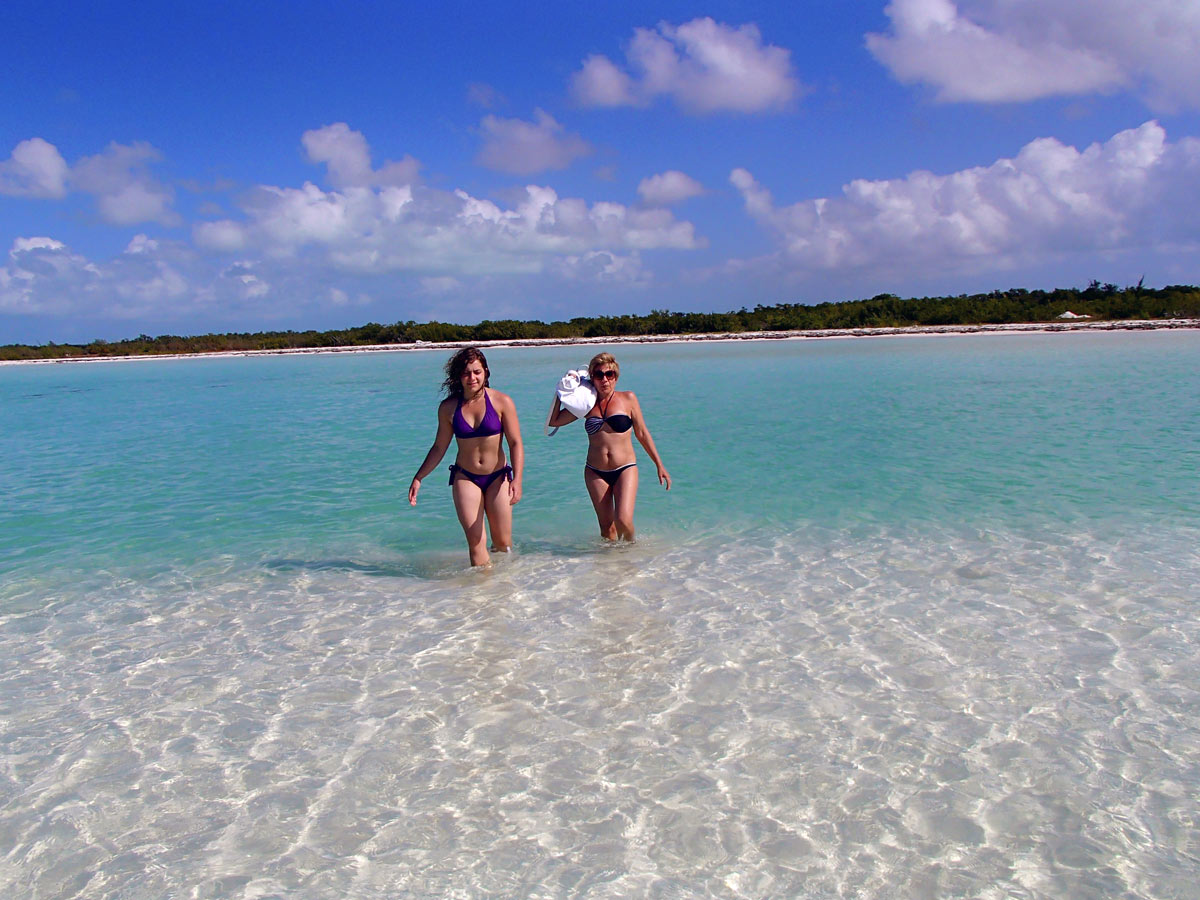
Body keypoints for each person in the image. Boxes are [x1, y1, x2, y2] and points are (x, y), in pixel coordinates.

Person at [409, 347, 523, 566]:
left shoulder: (502, 402)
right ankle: (482, 586)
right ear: (458, 376)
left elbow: (515, 442)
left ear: (486, 372)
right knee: (476, 542)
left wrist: (517, 479)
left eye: (477, 372)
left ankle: (505, 585)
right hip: (466, 477)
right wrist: (419, 477)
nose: (472, 378)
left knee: (503, 543)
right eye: (466, 373)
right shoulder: (448, 408)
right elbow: (439, 447)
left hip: (498, 477)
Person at [548, 352, 670, 541]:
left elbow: (642, 433)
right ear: (592, 378)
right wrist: (563, 390)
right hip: (595, 471)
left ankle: (631, 554)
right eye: (599, 375)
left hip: (625, 469)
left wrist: (659, 464)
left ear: (616, 377)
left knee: (623, 521)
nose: (604, 379)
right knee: (607, 529)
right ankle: (611, 560)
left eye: (609, 374)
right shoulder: (586, 404)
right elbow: (554, 421)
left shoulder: (628, 398)